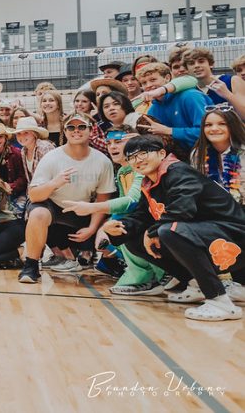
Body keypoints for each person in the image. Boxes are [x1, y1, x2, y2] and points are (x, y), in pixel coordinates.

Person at [104, 136, 245, 321]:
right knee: (132, 236)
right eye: (131, 157)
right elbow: (142, 215)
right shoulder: (150, 182)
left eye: (143, 153)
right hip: (205, 235)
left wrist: (152, 232)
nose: (138, 160)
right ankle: (195, 285)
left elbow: (182, 210)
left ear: (162, 153)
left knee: (169, 230)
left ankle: (220, 301)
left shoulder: (178, 172)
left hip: (233, 236)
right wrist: (118, 227)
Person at [62, 127, 167, 294]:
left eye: (118, 142)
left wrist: (93, 208)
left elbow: (132, 201)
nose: (112, 147)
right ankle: (145, 274)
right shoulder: (122, 170)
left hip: (157, 221)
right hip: (141, 218)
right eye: (109, 143)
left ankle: (156, 275)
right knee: (114, 232)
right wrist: (108, 224)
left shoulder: (139, 169)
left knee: (124, 230)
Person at [18, 113, 115, 283]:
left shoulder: (102, 161)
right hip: (54, 207)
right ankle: (31, 266)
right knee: (37, 213)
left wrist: (92, 228)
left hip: (82, 210)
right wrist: (54, 183)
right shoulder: (52, 158)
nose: (76, 131)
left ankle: (115, 263)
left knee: (111, 224)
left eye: (81, 127)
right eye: (71, 127)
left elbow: (102, 200)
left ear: (91, 130)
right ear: (65, 131)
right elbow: (33, 195)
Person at [136, 62, 209, 154]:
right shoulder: (152, 110)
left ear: (167, 78)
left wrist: (169, 131)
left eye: (153, 79)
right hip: (178, 159)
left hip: (207, 155)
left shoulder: (191, 96)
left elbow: (207, 131)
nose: (148, 85)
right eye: (144, 83)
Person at [191, 104, 245, 207]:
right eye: (208, 125)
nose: (214, 128)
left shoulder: (243, 152)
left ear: (232, 126)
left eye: (222, 123)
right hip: (214, 210)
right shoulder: (198, 153)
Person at [185, 47, 245, 118]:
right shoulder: (190, 91)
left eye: (201, 61)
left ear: (211, 64)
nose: (196, 65)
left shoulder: (232, 80)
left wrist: (228, 95)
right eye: (191, 63)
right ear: (187, 69)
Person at [0, 121, 27, 216]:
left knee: (15, 215)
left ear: (6, 138)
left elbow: (23, 178)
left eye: (0, 136)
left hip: (14, 193)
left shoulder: (16, 153)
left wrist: (11, 186)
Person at [13, 116, 55, 185]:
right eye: (19, 133)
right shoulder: (23, 151)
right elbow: (30, 180)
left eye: (26, 132)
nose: (22, 136)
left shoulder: (44, 147)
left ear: (34, 134)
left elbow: (52, 176)